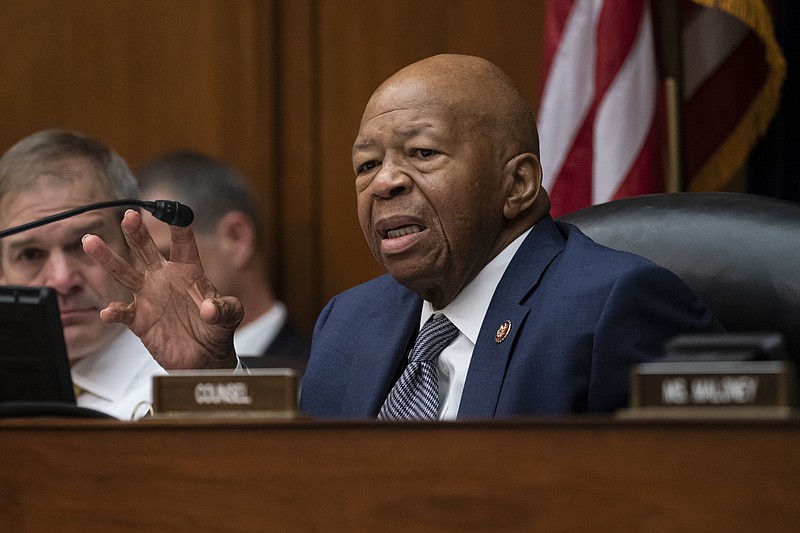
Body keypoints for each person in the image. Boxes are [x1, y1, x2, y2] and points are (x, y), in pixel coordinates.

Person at [81, 54, 724, 420]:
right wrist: (212, 378)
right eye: (365, 164)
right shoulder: (350, 322)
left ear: (518, 185)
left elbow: (716, 490)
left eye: (421, 153)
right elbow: (298, 494)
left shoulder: (614, 305)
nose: (384, 183)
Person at [0, 129, 166, 419]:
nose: (62, 280)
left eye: (83, 246)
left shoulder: (189, 381)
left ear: (135, 246)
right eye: (30, 255)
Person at [136, 151, 309, 374]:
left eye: (166, 258)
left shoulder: (313, 377)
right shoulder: (137, 372)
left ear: (237, 238)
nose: (151, 284)